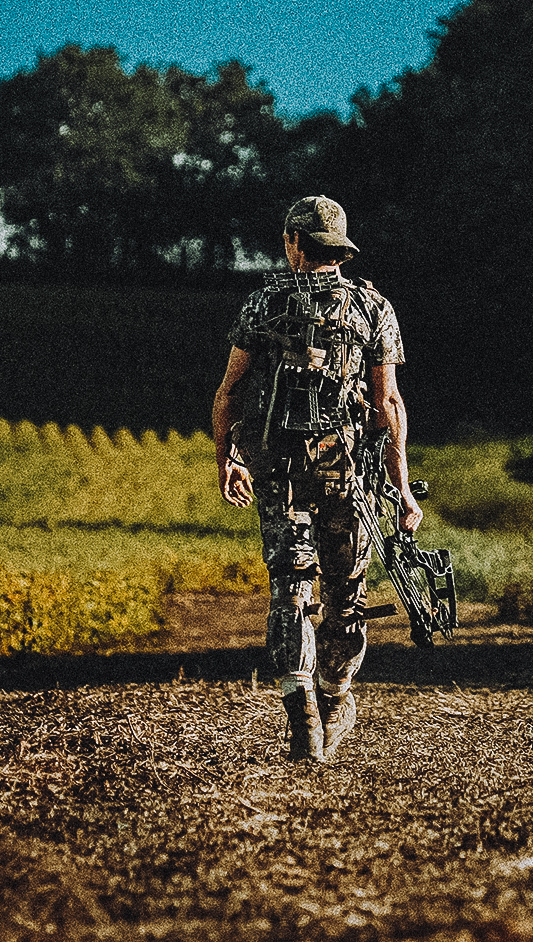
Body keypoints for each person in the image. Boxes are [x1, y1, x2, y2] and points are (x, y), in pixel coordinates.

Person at [212, 195, 422, 762]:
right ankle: (334, 696)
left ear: (294, 244)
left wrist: (228, 457)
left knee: (290, 587)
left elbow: (230, 390)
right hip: (347, 472)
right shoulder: (372, 307)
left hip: (276, 469)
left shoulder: (262, 303)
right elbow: (388, 403)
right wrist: (401, 487)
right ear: (338, 247)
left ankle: (300, 707)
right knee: (344, 593)